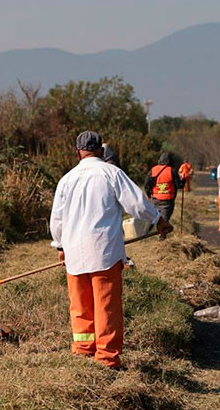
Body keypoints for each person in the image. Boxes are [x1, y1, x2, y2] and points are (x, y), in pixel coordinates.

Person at [50, 131, 173, 369]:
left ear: (78, 152)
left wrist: (60, 246)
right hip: (104, 253)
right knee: (106, 307)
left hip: (74, 253)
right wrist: (158, 219)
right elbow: (136, 203)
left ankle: (83, 351)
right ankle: (107, 358)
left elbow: (57, 220)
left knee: (80, 307)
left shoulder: (66, 180)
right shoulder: (111, 173)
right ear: (101, 151)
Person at [144, 152, 183, 222]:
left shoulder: (153, 170)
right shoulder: (172, 171)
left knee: (151, 220)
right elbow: (179, 185)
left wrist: (149, 195)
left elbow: (147, 184)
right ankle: (162, 232)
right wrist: (183, 180)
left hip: (155, 199)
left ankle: (145, 232)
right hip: (168, 201)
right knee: (164, 222)